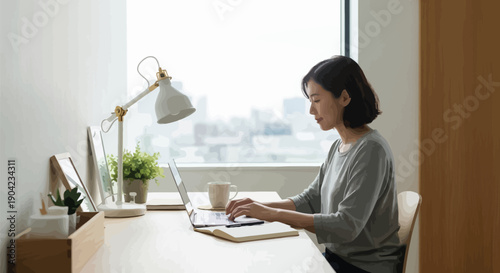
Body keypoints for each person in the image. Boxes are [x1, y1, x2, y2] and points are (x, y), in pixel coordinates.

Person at [225, 56, 404, 273]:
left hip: (361, 268)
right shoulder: (338, 147)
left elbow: (347, 226)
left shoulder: (371, 150)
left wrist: (271, 214)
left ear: (345, 97)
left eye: (316, 100)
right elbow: (310, 200)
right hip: (336, 260)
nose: (311, 111)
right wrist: (257, 207)